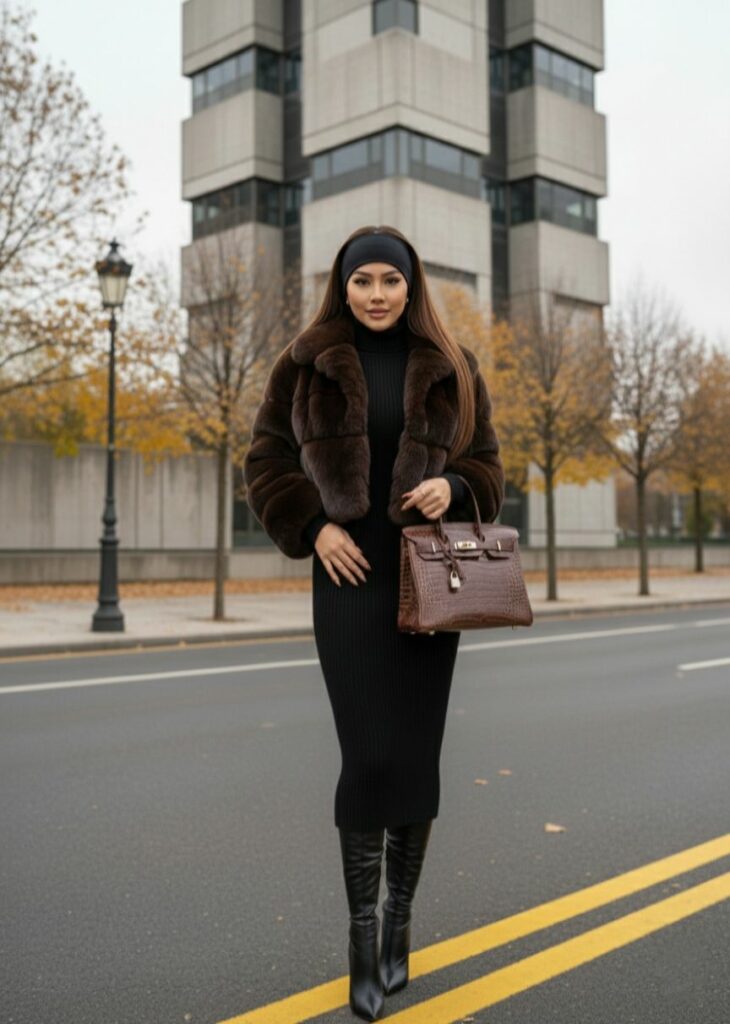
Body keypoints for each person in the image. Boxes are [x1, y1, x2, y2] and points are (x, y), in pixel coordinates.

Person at [243, 225, 504, 1020]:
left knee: (415, 756)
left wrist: (454, 490)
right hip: (347, 581)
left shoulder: (455, 368)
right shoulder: (304, 361)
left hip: (431, 581)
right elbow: (265, 461)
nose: (378, 295)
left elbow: (491, 468)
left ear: (411, 285)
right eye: (364, 282)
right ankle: (363, 938)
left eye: (392, 280)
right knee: (367, 756)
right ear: (343, 286)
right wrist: (313, 527)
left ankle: (399, 926)